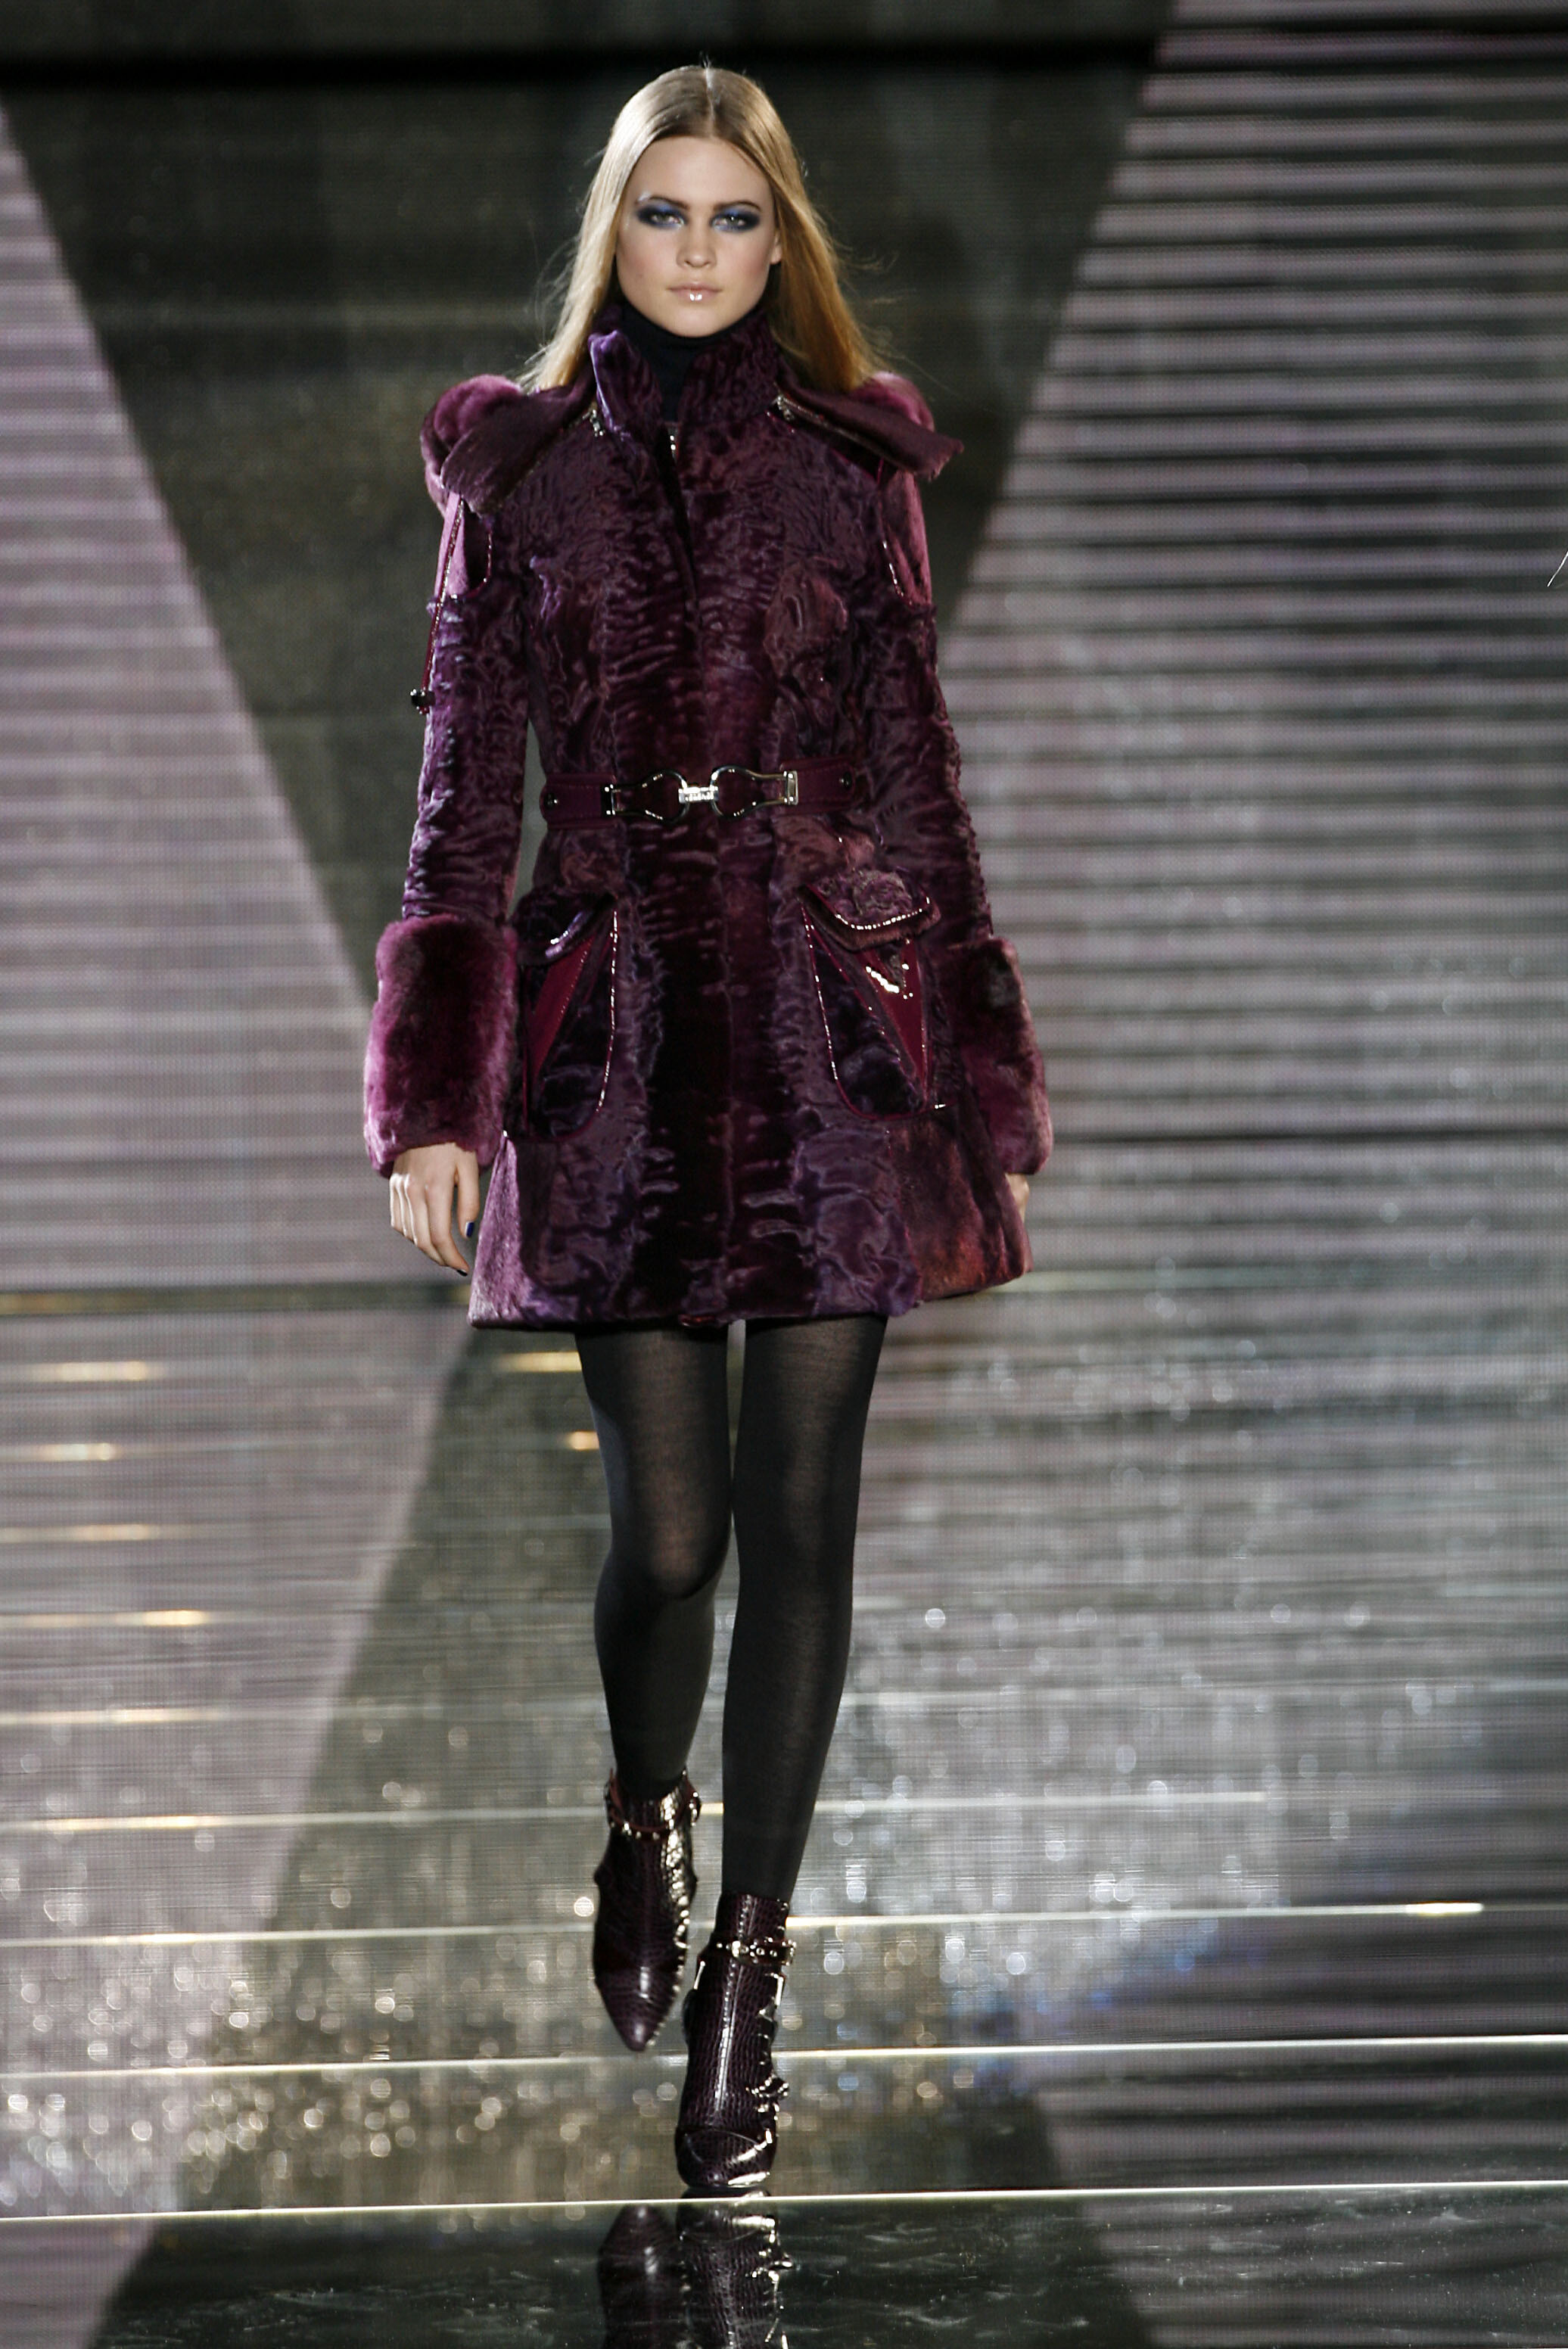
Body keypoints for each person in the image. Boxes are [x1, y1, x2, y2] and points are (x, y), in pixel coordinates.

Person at [364, 64, 1050, 2195]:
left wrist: (982, 1063)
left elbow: (921, 777)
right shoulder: (524, 477)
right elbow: (461, 803)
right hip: (624, 1035)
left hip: (833, 1032)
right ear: (613, 233)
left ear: (782, 242)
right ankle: (644, 1805)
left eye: (735, 217)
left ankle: (755, 1967)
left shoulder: (856, 472)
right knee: (671, 1540)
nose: (697, 252)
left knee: (804, 1520)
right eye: (662, 214)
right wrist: (433, 1098)